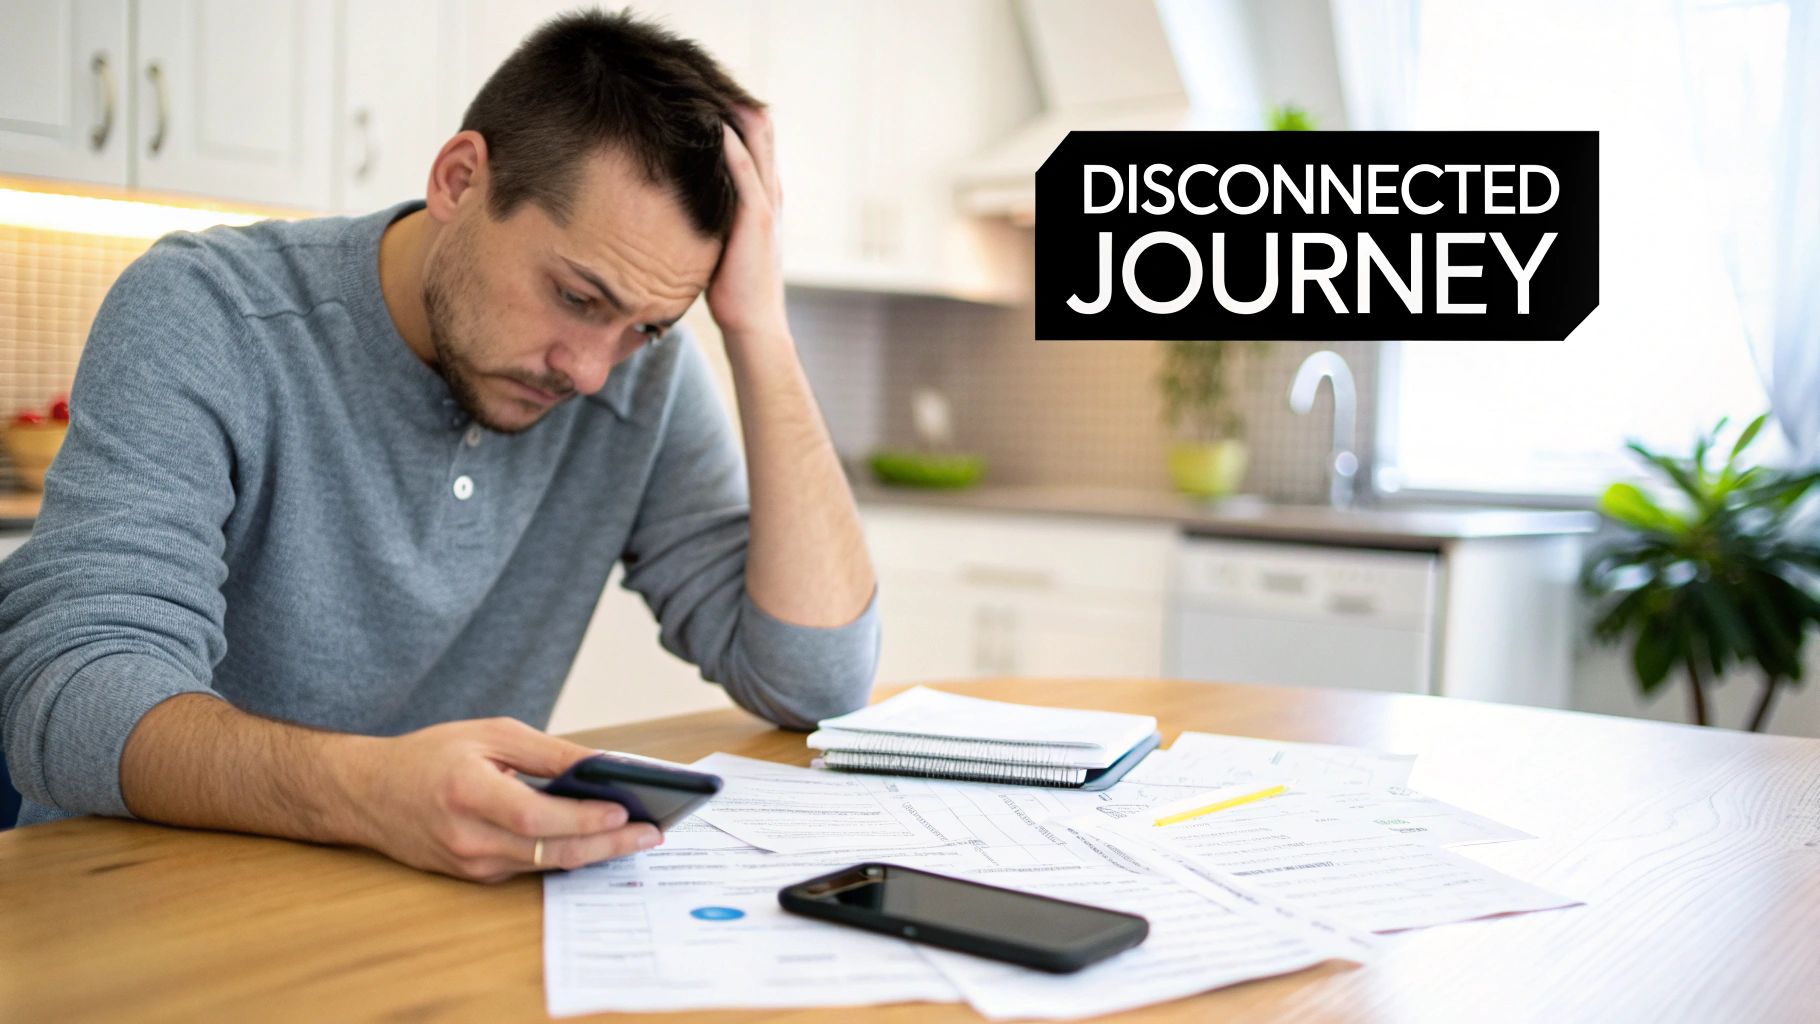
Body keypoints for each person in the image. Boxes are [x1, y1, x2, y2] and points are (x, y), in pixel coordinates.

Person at [0, 10, 878, 881]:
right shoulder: (209, 313)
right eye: (577, 297)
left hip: (412, 906)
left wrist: (760, 328)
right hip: (133, 895)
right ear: (459, 181)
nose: (589, 372)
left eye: (646, 326)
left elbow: (817, 681)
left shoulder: (640, 379)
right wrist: (366, 793)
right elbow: (69, 692)